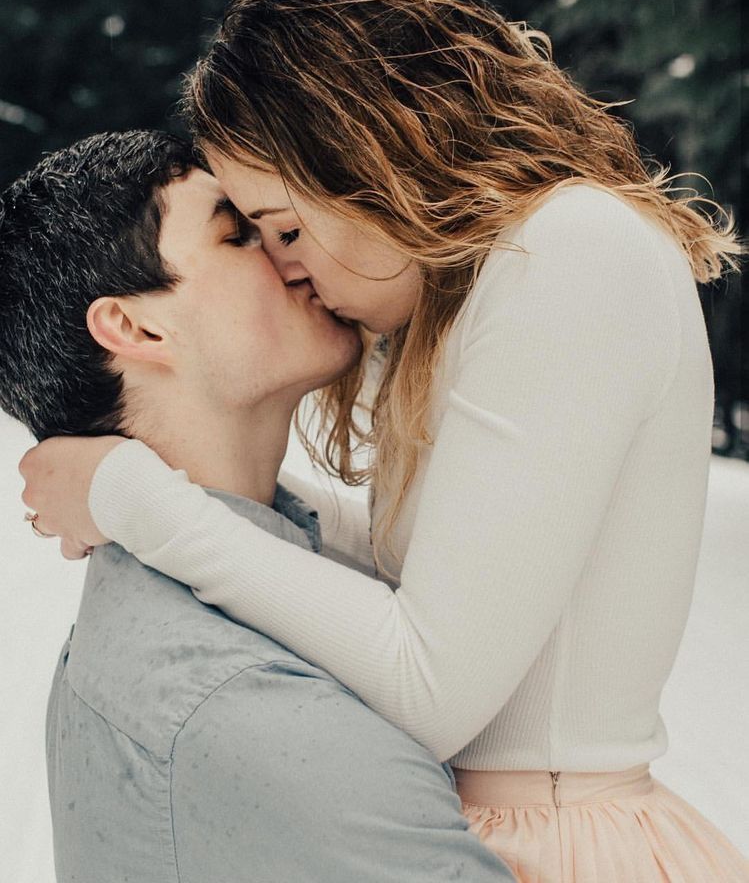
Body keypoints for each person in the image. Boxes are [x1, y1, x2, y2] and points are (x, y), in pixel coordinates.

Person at [19, 0, 748, 881]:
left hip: (559, 838)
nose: (285, 269)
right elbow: (457, 568)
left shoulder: (570, 252)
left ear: (366, 157)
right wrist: (192, 490)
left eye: (285, 228)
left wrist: (138, 498)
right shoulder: (505, 279)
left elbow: (429, 687)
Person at [1, 130, 515, 883]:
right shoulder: (259, 712)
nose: (295, 254)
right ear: (138, 327)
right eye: (239, 236)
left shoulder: (163, 631)